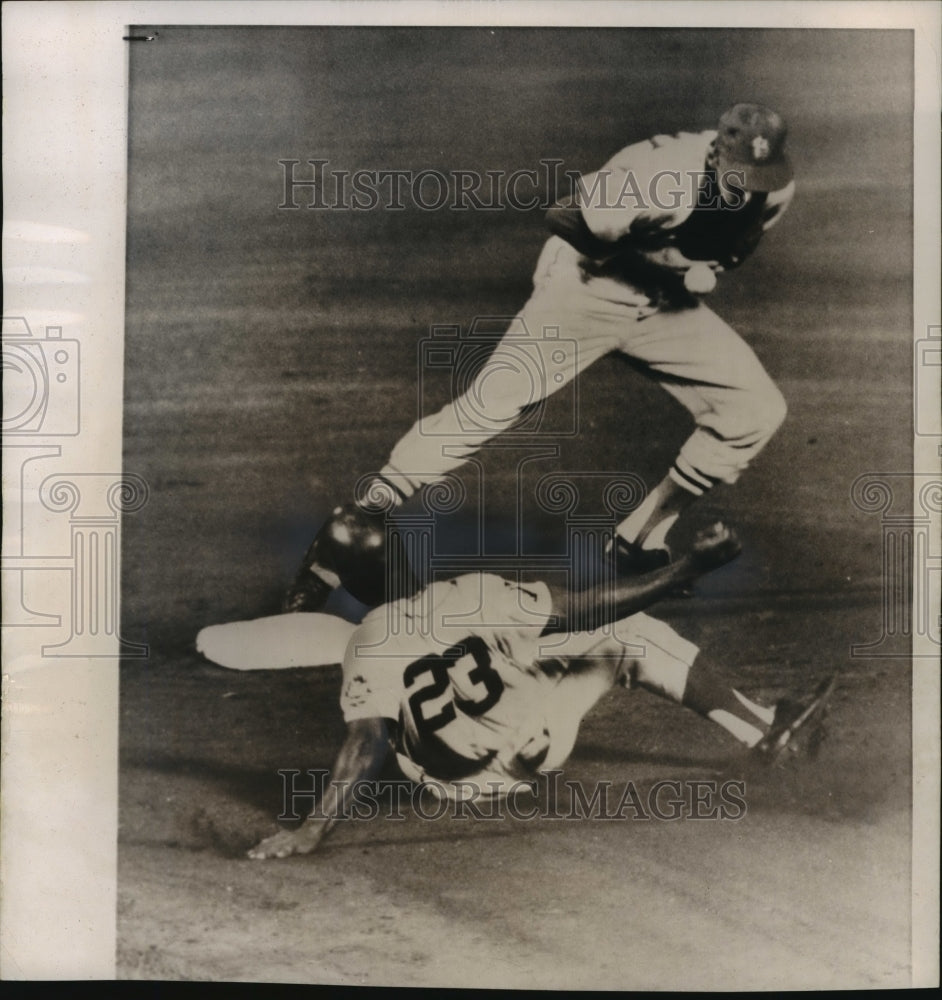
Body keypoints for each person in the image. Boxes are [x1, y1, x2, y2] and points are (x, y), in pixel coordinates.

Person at [283, 103, 796, 614]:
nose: (747, 189)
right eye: (737, 177)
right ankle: (342, 538)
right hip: (585, 290)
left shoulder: (773, 191)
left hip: (662, 304)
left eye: (758, 178)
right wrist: (659, 263)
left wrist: (680, 269)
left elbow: (730, 246)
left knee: (752, 410)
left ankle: (640, 537)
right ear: (713, 154)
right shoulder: (656, 179)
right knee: (491, 407)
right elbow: (563, 215)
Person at [249, 523, 835, 860]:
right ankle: (762, 726)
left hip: (449, 786)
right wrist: (682, 570)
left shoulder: (366, 641)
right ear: (401, 554)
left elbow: (367, 738)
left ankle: (763, 726)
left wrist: (311, 829)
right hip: (533, 750)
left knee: (413, 703)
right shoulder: (469, 593)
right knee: (626, 634)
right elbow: (585, 610)